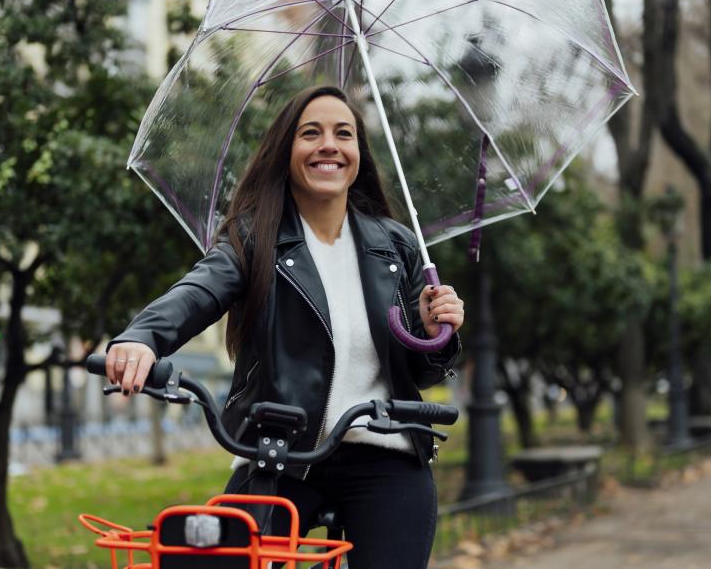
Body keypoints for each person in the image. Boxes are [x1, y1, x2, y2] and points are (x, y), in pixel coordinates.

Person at [107, 85, 464, 568]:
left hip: (386, 450)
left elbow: (422, 372)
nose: (328, 145)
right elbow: (198, 292)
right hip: (277, 451)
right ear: (286, 150)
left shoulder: (396, 246)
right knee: (219, 558)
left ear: (359, 152)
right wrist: (142, 338)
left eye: (344, 134)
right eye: (310, 133)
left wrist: (432, 329)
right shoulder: (253, 237)